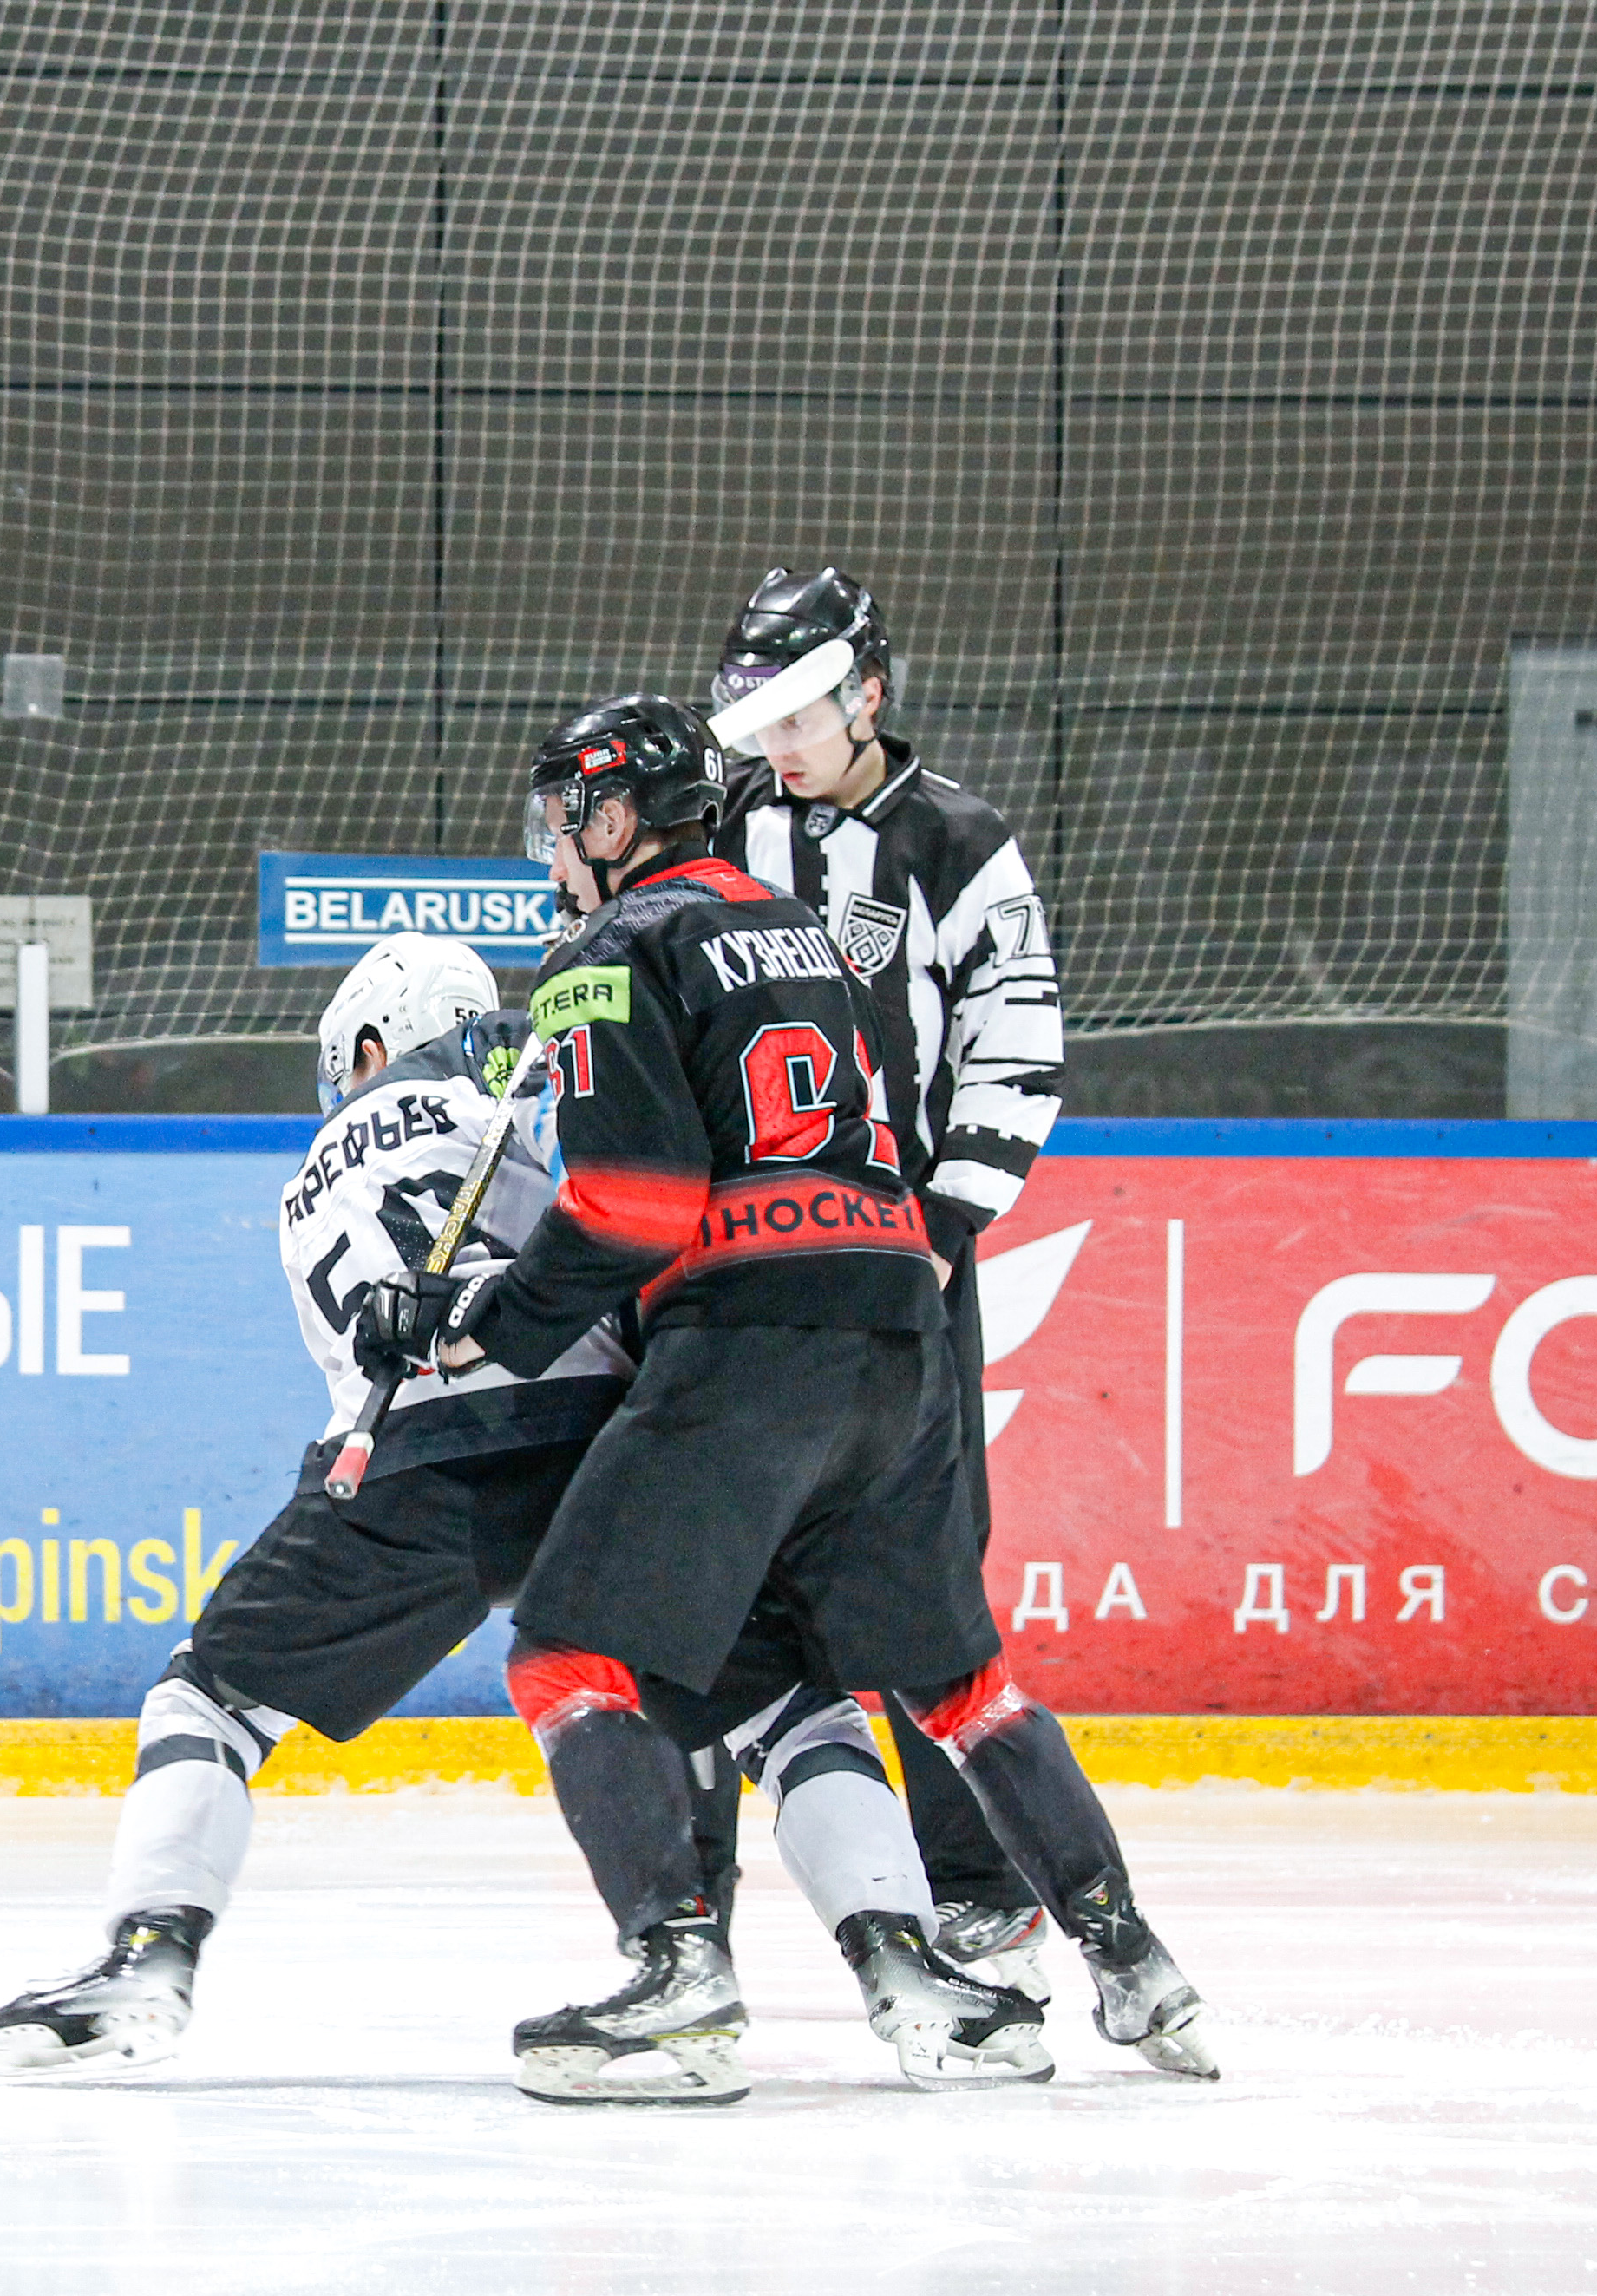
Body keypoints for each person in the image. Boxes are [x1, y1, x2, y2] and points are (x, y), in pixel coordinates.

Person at [0, 932, 1044, 2092]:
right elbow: (626, 1239)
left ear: (372, 1047)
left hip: (411, 1465)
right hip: (597, 1444)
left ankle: (147, 1957)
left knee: (209, 1701)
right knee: (786, 1709)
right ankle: (903, 1968)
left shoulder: (306, 1182)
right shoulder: (524, 1112)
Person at [354, 693, 1208, 2103]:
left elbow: (631, 1205)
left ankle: (675, 1971)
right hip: (900, 1325)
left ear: (620, 819)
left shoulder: (608, 952)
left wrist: (476, 1325)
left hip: (753, 1346)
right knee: (958, 1681)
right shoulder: (800, 922)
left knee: (569, 1656)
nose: (553, 850)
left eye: (565, 819)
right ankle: (1134, 1962)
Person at [707, 566, 1072, 1999]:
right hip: (741, 1266)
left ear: (868, 694)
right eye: (764, 722)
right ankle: (692, 1892)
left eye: (802, 717)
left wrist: (941, 1227)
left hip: (900, 1265)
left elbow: (1016, 1045)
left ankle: (977, 1879)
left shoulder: (958, 843)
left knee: (919, 1571)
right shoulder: (725, 829)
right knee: (714, 1557)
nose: (779, 746)